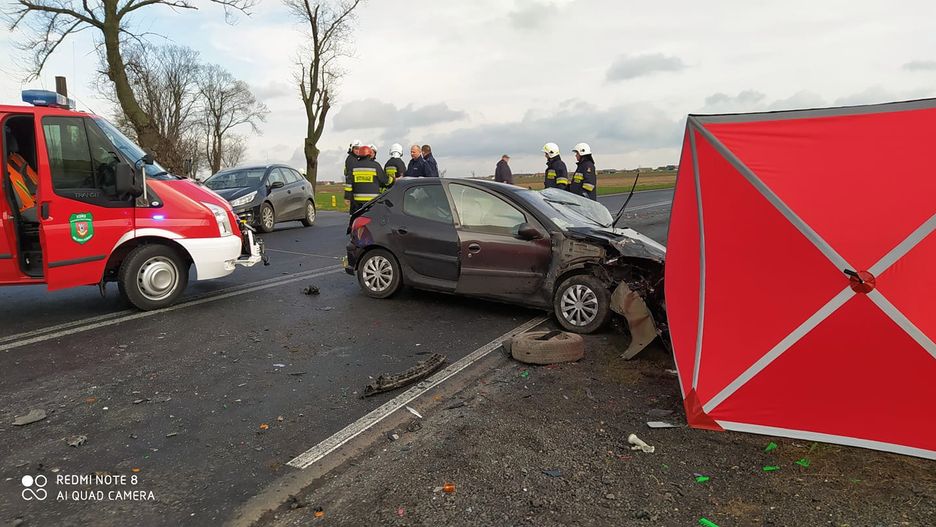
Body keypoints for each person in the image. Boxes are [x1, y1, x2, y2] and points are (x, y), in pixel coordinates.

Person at [344, 145, 389, 214]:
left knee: (359, 219)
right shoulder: (376, 166)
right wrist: (393, 180)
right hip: (372, 201)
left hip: (357, 202)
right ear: (370, 154)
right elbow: (384, 180)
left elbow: (349, 185)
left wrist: (347, 197)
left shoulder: (353, 167)